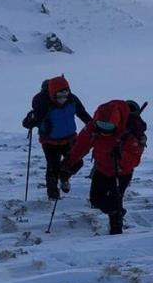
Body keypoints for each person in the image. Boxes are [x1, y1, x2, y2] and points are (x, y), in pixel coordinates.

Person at [63, 100, 147, 235]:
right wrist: (68, 163)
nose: (104, 130)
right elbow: (81, 145)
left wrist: (121, 156)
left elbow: (135, 159)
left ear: (116, 124)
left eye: (108, 127)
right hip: (101, 168)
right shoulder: (92, 128)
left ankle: (116, 230)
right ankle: (117, 212)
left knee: (115, 199)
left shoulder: (128, 133)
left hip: (121, 173)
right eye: (101, 125)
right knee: (95, 200)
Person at [21, 76, 91, 201]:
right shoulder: (44, 105)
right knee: (52, 167)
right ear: (53, 94)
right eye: (59, 96)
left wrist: (94, 127)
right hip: (50, 142)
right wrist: (30, 119)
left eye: (65, 95)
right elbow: (27, 124)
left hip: (70, 139)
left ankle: (64, 177)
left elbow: (83, 115)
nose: (63, 99)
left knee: (77, 163)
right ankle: (53, 195)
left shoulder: (73, 100)